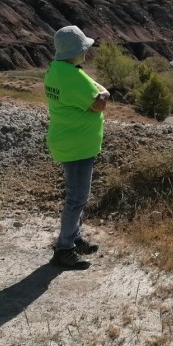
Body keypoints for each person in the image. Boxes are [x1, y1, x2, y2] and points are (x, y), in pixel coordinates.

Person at [44, 25, 109, 270]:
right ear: (77, 50)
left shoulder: (56, 70)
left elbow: (88, 86)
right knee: (77, 198)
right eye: (84, 48)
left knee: (76, 196)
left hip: (68, 142)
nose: (87, 52)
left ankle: (74, 238)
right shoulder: (72, 75)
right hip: (77, 146)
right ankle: (64, 249)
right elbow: (98, 103)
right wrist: (105, 92)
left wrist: (99, 90)